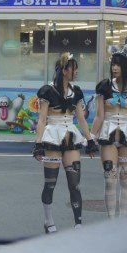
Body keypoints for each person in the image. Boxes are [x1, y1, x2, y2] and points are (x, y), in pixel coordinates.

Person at [33, 53, 98, 234]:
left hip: (70, 136)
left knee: (74, 183)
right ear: (64, 70)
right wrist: (38, 144)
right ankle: (48, 220)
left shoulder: (76, 91)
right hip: (52, 138)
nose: (76, 72)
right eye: (74, 68)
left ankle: (78, 224)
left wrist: (90, 140)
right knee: (50, 184)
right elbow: (42, 119)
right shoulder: (47, 91)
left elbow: (81, 119)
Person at [92, 50, 127, 219]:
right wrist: (89, 136)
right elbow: (99, 115)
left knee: (126, 179)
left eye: (118, 65)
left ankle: (122, 222)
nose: (114, 68)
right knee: (110, 179)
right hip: (108, 134)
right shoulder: (104, 86)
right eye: (113, 64)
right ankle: (112, 222)